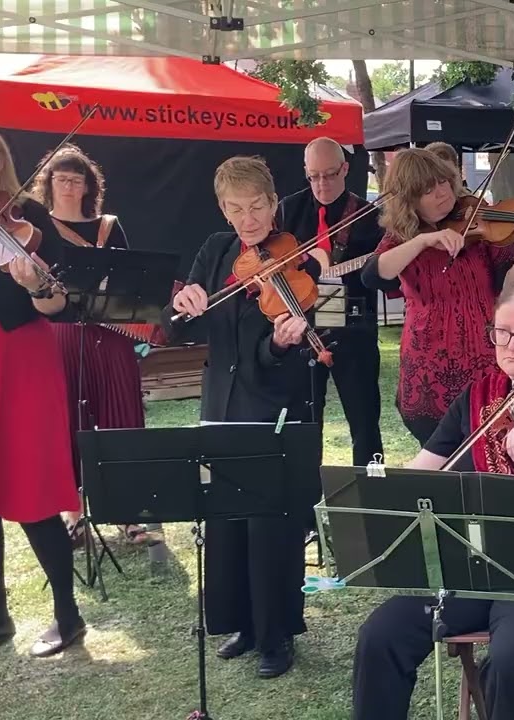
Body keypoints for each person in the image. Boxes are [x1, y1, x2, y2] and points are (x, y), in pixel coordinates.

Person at [351, 280, 514, 720]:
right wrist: (385, 494)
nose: (511, 344)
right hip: (480, 565)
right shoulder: (479, 395)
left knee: (509, 657)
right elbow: (425, 468)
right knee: (381, 634)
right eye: (501, 331)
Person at [160, 155, 320, 678]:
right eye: (236, 209)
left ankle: (277, 635)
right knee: (226, 518)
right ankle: (242, 625)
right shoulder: (216, 250)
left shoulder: (297, 259)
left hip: (273, 404)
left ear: (274, 204)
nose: (248, 219)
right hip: (221, 401)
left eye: (256, 207)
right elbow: (179, 326)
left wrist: (278, 343)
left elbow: (290, 353)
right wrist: (183, 302)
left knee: (271, 523)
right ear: (223, 210)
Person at [0, 118, 86, 657]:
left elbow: (60, 304)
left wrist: (36, 282)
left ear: (0, 164)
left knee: (32, 491)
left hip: (19, 366)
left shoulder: (28, 217)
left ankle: (68, 614)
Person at [361, 148, 514, 445]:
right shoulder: (401, 238)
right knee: (442, 464)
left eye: (443, 183)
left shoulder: (480, 224)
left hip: (483, 364)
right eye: (427, 190)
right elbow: (373, 274)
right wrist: (423, 241)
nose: (441, 194)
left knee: (490, 461)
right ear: (409, 201)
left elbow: (511, 289)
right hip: (427, 372)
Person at [32, 144, 155, 545]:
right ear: (49, 184)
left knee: (122, 415)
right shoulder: (36, 227)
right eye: (61, 179)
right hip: (62, 333)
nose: (68, 186)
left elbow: (130, 275)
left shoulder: (108, 225)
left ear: (89, 186)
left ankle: (129, 512)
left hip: (111, 330)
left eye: (76, 179)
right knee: (66, 419)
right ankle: (71, 513)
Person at [278, 137, 385, 464]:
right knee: (306, 420)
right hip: (304, 323)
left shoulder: (370, 216)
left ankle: (371, 496)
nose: (321, 184)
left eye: (330, 174)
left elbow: (383, 276)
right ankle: (304, 493)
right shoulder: (288, 210)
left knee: (364, 419)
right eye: (314, 176)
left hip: (354, 326)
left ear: (346, 169)